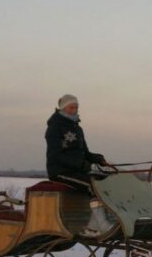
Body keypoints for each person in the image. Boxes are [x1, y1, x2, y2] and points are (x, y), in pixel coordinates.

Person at [45, 94, 112, 236]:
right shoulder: (54, 128)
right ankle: (103, 225)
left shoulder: (77, 129)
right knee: (92, 185)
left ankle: (92, 228)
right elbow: (55, 155)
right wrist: (81, 164)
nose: (74, 110)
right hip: (60, 171)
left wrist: (98, 159)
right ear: (63, 108)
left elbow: (84, 153)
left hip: (78, 170)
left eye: (76, 107)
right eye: (71, 107)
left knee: (105, 181)